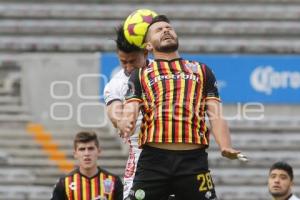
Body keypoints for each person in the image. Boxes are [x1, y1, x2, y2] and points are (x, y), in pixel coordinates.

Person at [118, 15, 242, 200]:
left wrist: (226, 146)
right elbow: (131, 108)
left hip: (193, 161)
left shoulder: (202, 70)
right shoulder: (140, 74)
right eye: (158, 30)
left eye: (169, 28)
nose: (166, 30)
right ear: (148, 46)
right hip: (153, 160)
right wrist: (125, 122)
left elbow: (215, 114)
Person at [104, 25, 148, 199]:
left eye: (133, 61)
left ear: (145, 53)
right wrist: (120, 121)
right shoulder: (117, 83)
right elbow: (113, 108)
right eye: (123, 62)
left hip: (171, 154)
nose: (128, 67)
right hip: (140, 158)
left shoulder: (161, 73)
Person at [50, 131, 123, 200]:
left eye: (91, 148)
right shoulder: (64, 183)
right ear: (75, 154)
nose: (87, 153)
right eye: (82, 149)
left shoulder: (114, 181)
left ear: (99, 151)